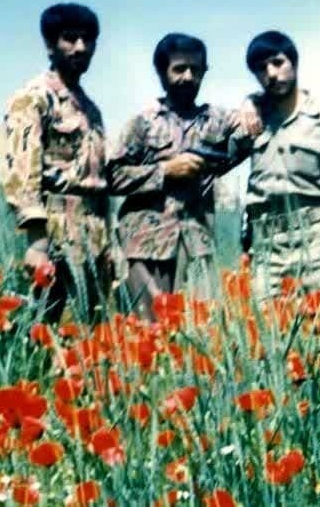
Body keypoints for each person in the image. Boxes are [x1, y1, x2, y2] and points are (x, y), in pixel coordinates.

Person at [107, 33, 261, 318]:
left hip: (197, 246)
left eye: (195, 69)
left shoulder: (216, 119)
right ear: (161, 72)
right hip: (147, 249)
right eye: (179, 69)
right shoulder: (142, 124)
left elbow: (256, 117)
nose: (188, 76)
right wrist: (164, 171)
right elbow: (112, 177)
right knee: (147, 331)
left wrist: (250, 104)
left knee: (201, 330)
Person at [2, 2, 113, 324]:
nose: (80, 47)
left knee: (89, 332)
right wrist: (37, 244)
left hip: (94, 234)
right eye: (70, 38)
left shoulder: (90, 109)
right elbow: (23, 173)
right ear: (50, 45)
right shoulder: (33, 98)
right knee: (48, 331)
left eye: (87, 39)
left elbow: (98, 181)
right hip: (56, 232)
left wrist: (108, 245)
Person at [235, 30, 320, 299]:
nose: (271, 73)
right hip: (267, 247)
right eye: (261, 68)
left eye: (277, 62)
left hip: (318, 242)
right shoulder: (251, 121)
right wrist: (247, 102)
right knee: (267, 322)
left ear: (294, 62)